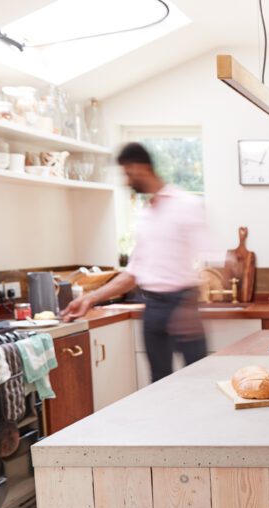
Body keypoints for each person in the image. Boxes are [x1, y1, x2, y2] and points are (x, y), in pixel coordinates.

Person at [62, 142, 208, 382]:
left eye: (127, 173)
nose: (126, 181)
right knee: (159, 382)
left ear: (140, 168)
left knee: (198, 377)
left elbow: (208, 258)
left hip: (182, 304)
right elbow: (133, 274)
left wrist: (189, 306)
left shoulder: (186, 204)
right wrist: (89, 298)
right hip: (152, 306)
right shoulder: (146, 215)